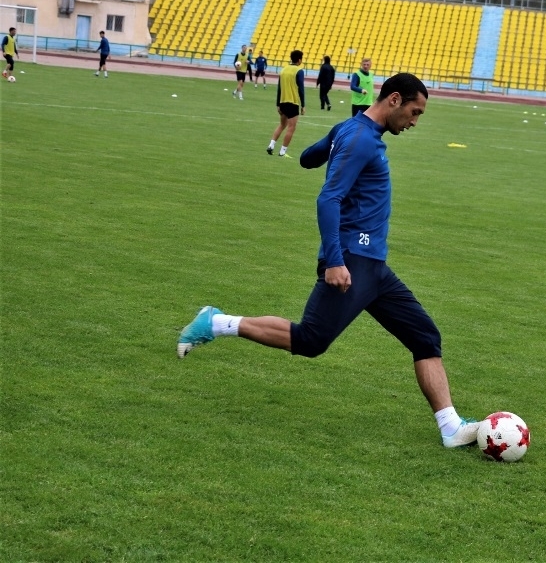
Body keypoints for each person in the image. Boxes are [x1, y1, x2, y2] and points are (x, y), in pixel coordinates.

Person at [178, 72, 480, 449]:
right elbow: (328, 198)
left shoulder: (349, 131)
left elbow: (308, 158)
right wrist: (336, 261)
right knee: (311, 340)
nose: (415, 122)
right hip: (352, 259)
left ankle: (450, 428)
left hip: (374, 267)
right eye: (415, 112)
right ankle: (215, 322)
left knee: (425, 336)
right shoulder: (360, 138)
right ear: (394, 100)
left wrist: (330, 147)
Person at [266, 49, 305, 158]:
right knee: (292, 127)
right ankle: (282, 152)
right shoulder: (299, 71)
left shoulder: (283, 70)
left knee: (282, 125)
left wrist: (278, 104)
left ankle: (271, 145)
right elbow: (301, 89)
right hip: (293, 102)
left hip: (282, 102)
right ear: (299, 60)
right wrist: (303, 105)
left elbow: (279, 88)